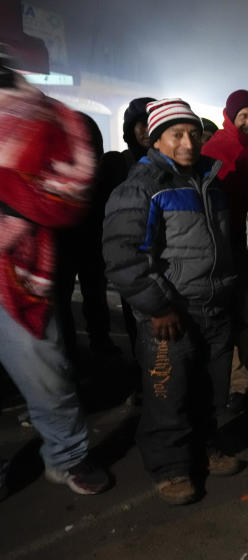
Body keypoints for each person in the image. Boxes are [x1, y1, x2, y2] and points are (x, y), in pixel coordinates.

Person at [103, 98, 240, 505]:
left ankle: (205, 446)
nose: (188, 142)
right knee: (168, 393)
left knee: (211, 389)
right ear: (157, 139)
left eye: (194, 134)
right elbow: (123, 254)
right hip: (170, 312)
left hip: (213, 305)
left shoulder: (208, 182)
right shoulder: (142, 186)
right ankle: (171, 467)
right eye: (177, 134)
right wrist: (158, 307)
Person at [0, 66, 111, 497]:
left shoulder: (46, 115)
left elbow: (70, 192)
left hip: (19, 268)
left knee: (45, 368)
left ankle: (67, 456)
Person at [202, 89, 248, 414]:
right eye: (243, 115)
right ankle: (240, 383)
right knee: (236, 321)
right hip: (231, 248)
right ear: (230, 117)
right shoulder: (212, 151)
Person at [54, 113, 116, 356]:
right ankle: (92, 344)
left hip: (79, 240)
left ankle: (84, 346)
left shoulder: (65, 171)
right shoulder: (93, 173)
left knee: (85, 297)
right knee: (80, 297)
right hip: (76, 240)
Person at [100, 97, 156, 354]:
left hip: (168, 263)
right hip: (132, 263)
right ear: (129, 129)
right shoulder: (117, 165)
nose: (145, 130)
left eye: (151, 122)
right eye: (139, 124)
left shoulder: (178, 166)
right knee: (139, 331)